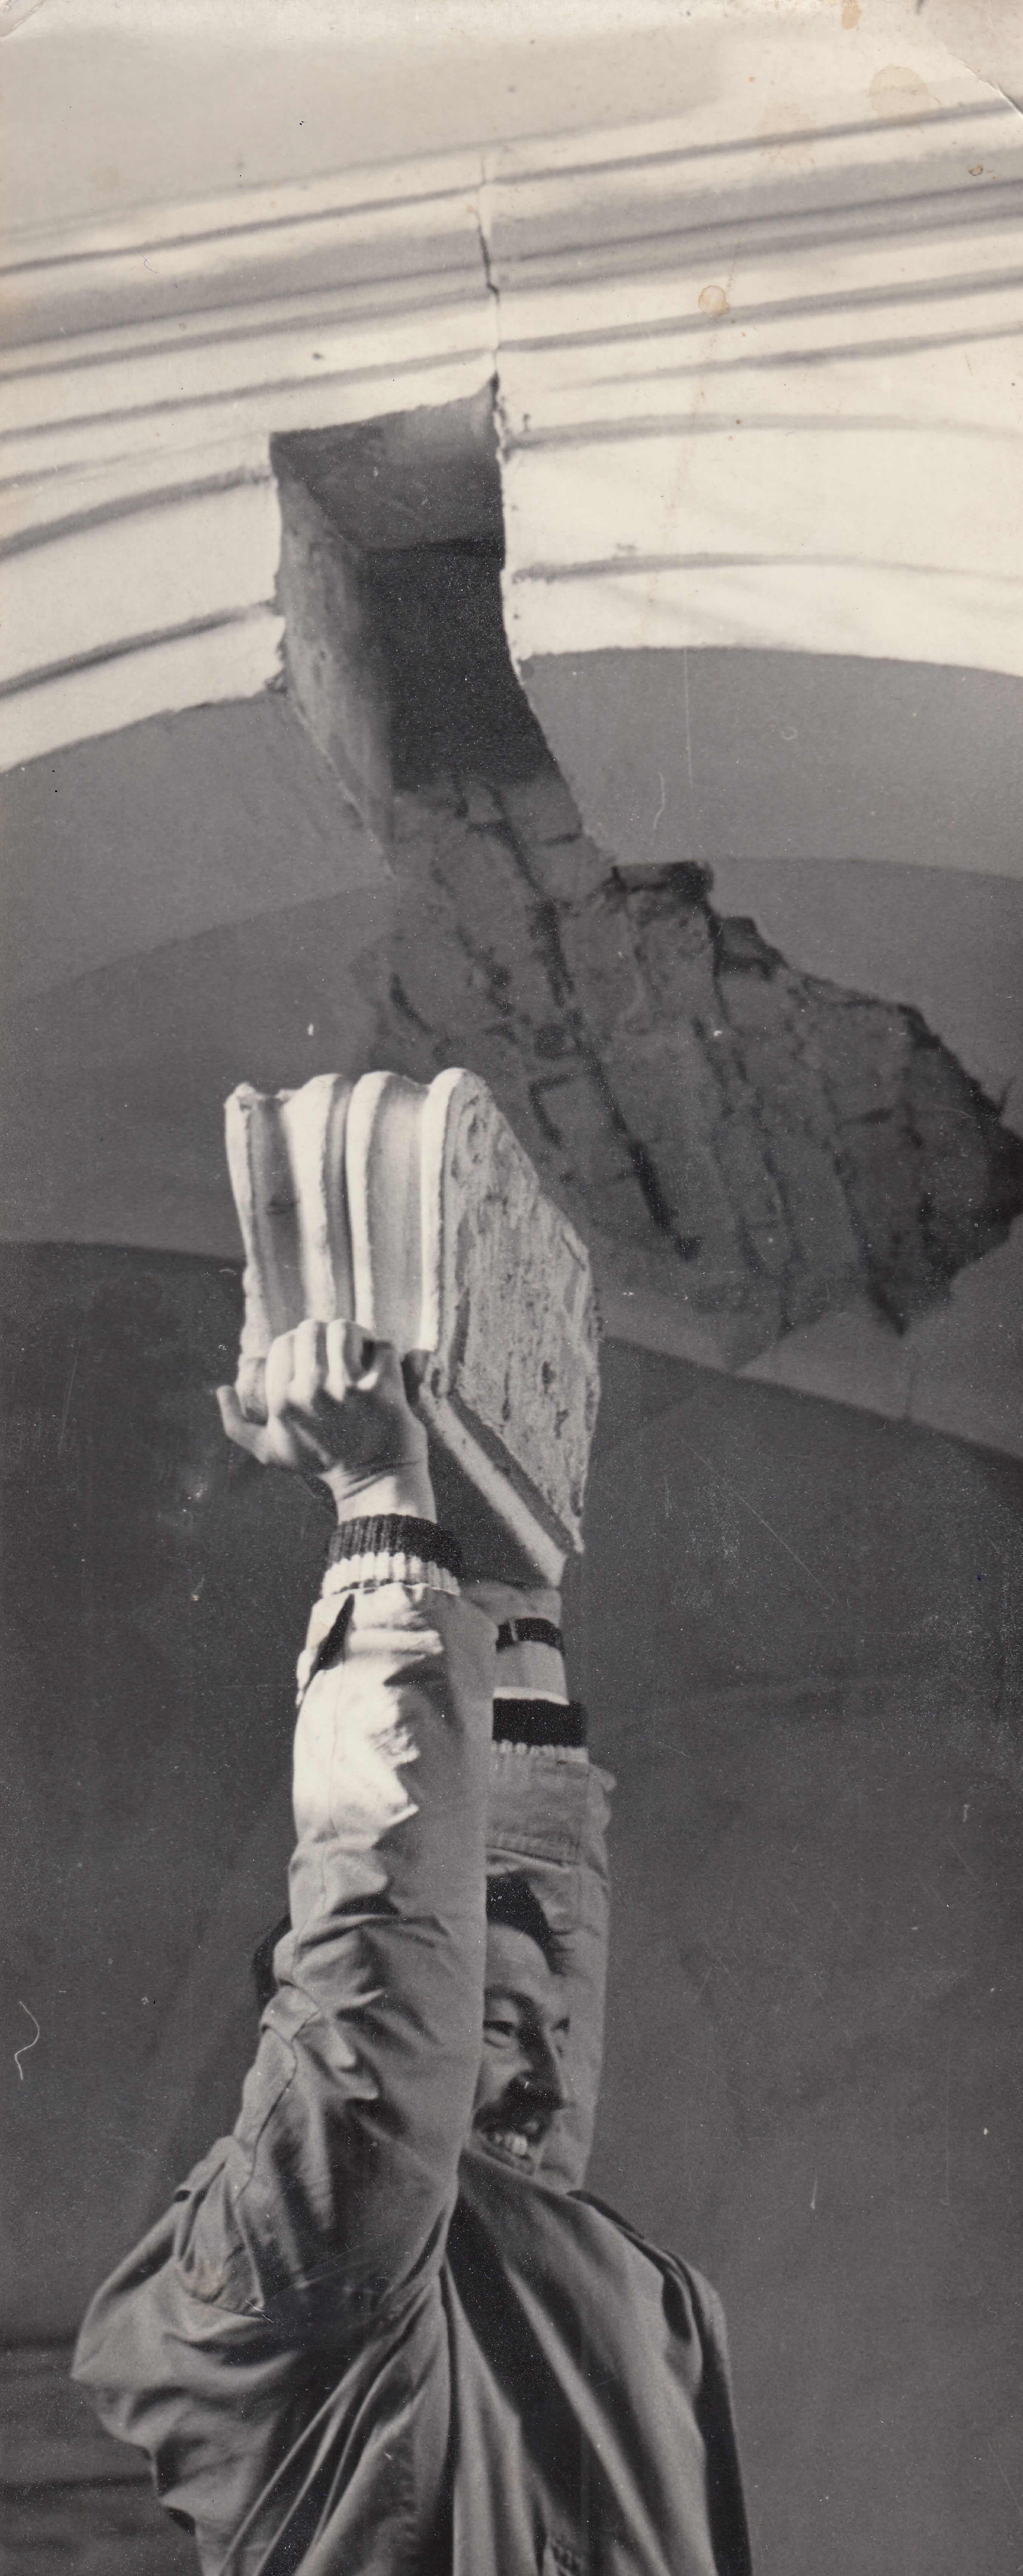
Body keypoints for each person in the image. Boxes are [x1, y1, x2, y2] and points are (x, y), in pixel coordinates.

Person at [74, 1319, 753, 2575]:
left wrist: (516, 1593)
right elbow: (383, 1981)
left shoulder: (527, 2279)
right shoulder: (302, 2262)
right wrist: (380, 1504)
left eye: (545, 2037)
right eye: (490, 2028)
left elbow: (512, 1937)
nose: (548, 2079)